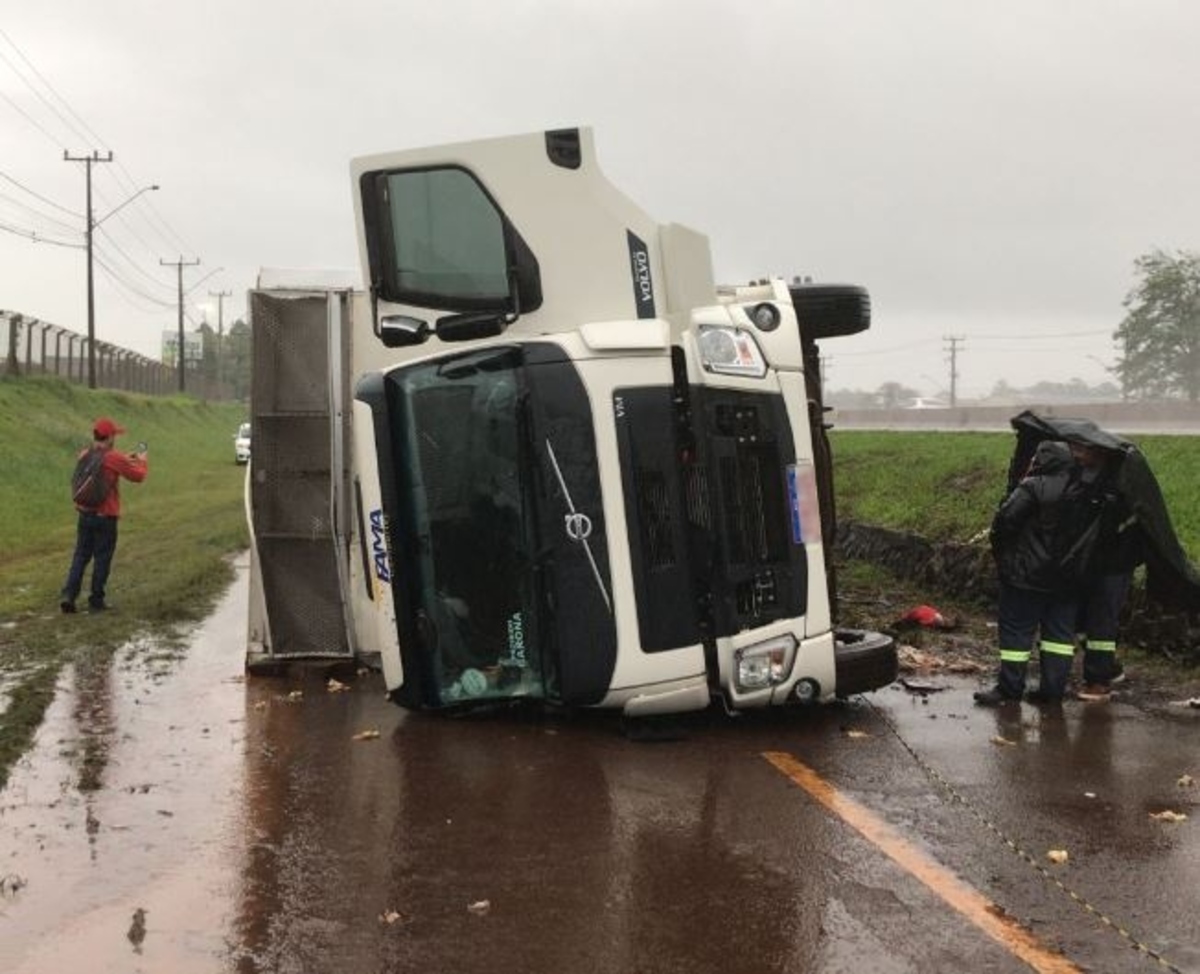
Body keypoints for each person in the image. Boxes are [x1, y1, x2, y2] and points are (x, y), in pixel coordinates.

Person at [975, 440, 1088, 706]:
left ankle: (1010, 689)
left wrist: (1006, 561)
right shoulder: (1084, 491)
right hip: (1068, 579)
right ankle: (1052, 691)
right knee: (1060, 637)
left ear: (1042, 461)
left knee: (1016, 633)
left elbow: (1003, 525)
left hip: (1026, 577)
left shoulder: (1032, 487)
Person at [1069, 440, 1143, 702]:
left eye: (1081, 449)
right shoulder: (1082, 475)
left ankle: (1098, 683)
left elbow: (1120, 529)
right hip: (1088, 564)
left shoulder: (1119, 487)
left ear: (1098, 451)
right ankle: (1107, 668)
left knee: (1101, 623)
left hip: (1112, 566)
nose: (1076, 455)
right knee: (1080, 621)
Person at [60, 417, 149, 613]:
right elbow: (139, 476)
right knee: (102, 558)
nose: (115, 438)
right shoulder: (114, 458)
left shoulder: (85, 454)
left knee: (80, 556)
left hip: (84, 514)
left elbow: (104, 463)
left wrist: (126, 458)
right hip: (105, 518)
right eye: (114, 435)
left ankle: (68, 595)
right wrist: (142, 460)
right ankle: (96, 600)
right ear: (108, 437)